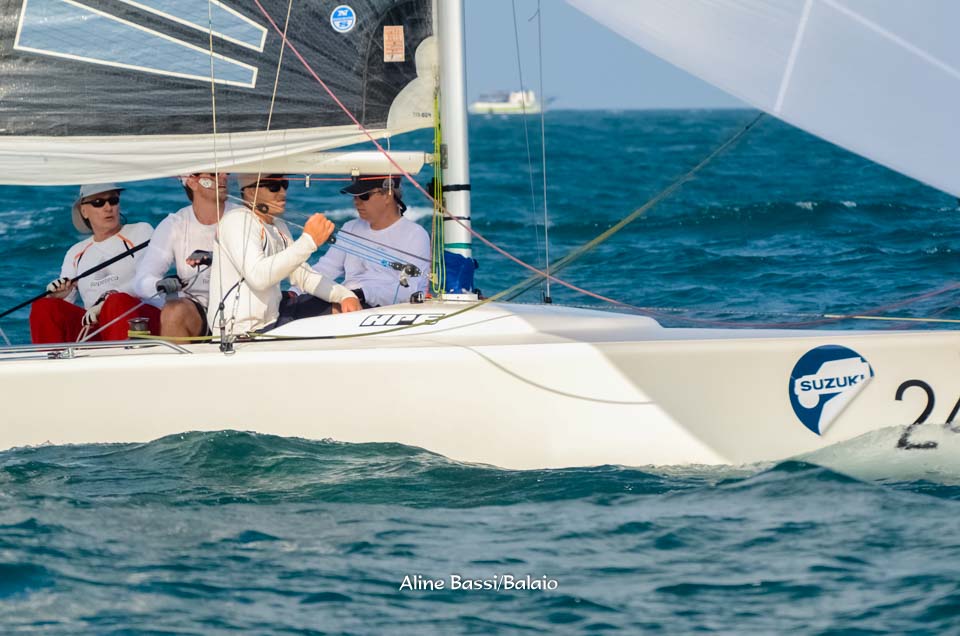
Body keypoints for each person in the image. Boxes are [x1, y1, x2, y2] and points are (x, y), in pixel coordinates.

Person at [208, 173, 361, 336]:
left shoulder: (277, 224)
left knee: (342, 308)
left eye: (284, 185)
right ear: (250, 192)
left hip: (274, 317)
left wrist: (344, 295)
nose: (282, 192)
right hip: (241, 332)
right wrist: (309, 242)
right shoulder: (237, 221)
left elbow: (303, 275)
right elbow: (258, 277)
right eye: (274, 187)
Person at [30, 183, 159, 344]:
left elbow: (147, 280)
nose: (108, 208)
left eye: (113, 200)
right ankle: (51, 359)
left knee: (116, 302)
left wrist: (105, 302)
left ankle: (123, 357)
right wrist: (56, 296)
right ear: (83, 211)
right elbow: (64, 306)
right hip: (96, 328)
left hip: (141, 321)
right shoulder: (75, 252)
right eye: (98, 202)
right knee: (43, 306)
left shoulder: (141, 231)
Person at [133, 172, 238, 339]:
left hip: (241, 306)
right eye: (213, 174)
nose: (223, 177)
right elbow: (141, 282)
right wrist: (159, 284)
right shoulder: (174, 224)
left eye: (226, 172)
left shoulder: (244, 216)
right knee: (173, 311)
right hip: (198, 310)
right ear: (192, 182)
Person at [313, 175, 430, 307]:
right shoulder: (349, 227)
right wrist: (296, 290)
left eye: (364, 196)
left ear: (388, 195)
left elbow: (409, 289)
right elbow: (326, 268)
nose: (356, 202)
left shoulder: (415, 235)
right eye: (355, 196)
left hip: (382, 308)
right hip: (348, 300)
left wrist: (362, 294)